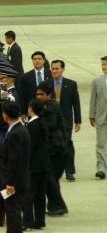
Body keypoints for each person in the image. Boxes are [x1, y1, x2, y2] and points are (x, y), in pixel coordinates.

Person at [35, 83, 68, 216]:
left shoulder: (51, 107)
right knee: (51, 178)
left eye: (41, 94)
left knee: (49, 177)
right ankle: (55, 206)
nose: (38, 96)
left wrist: (37, 118)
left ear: (49, 95)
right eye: (37, 94)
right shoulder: (47, 106)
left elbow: (51, 125)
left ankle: (59, 205)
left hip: (56, 149)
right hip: (56, 147)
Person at [46, 59, 81, 181]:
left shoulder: (71, 84)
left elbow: (75, 104)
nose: (54, 71)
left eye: (57, 69)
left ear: (63, 69)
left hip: (65, 120)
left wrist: (78, 120)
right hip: (50, 121)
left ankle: (69, 171)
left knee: (67, 145)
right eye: (53, 69)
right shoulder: (47, 84)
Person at [0, 101, 31, 233]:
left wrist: (10, 183)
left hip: (14, 181)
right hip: (20, 177)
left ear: (5, 115)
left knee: (12, 211)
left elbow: (14, 161)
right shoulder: (19, 129)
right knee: (12, 210)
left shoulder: (16, 134)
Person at [22, 99, 51, 230]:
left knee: (29, 194)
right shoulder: (41, 122)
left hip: (34, 166)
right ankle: (40, 221)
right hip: (44, 164)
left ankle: (27, 222)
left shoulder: (31, 126)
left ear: (31, 109)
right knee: (40, 194)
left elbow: (30, 148)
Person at [90, 55, 107, 180]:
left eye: (106, 64)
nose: (104, 67)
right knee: (101, 143)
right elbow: (93, 100)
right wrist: (92, 115)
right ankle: (101, 168)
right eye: (102, 65)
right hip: (102, 117)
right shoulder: (97, 81)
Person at [20, 51, 52, 118]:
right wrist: (23, 113)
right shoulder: (25, 77)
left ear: (44, 61)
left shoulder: (51, 74)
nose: (37, 61)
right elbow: (22, 96)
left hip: (49, 111)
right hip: (32, 111)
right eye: (35, 59)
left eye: (39, 59)